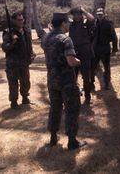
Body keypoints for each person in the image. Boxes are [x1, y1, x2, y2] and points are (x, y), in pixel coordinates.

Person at [41, 12, 86, 150]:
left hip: (52, 80)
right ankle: (72, 141)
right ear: (62, 23)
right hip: (67, 81)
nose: (69, 25)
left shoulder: (46, 38)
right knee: (71, 109)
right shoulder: (66, 40)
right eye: (68, 22)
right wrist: (80, 61)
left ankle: (53, 137)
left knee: (55, 108)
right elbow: (71, 62)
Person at [2, 12, 35, 109]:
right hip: (13, 63)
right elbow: (5, 47)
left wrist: (31, 54)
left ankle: (25, 97)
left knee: (25, 81)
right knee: (13, 83)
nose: (21, 22)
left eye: (22, 19)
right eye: (19, 20)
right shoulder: (8, 32)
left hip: (24, 61)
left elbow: (29, 44)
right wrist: (12, 42)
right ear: (13, 21)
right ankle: (14, 102)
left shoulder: (26, 30)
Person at [69, 7, 95, 104]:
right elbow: (62, 18)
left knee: (86, 76)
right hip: (74, 53)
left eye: (78, 14)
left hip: (85, 53)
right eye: (74, 14)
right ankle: (75, 96)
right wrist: (69, 11)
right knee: (73, 76)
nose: (76, 16)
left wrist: (84, 11)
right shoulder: (70, 24)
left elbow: (92, 19)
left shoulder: (86, 23)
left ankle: (87, 97)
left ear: (81, 15)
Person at [91, 8, 118, 90]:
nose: (99, 16)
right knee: (92, 67)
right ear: (96, 15)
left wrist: (114, 49)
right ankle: (91, 84)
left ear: (104, 14)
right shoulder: (94, 23)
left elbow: (114, 37)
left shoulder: (108, 24)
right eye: (98, 14)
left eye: (101, 14)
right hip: (95, 49)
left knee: (106, 67)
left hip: (105, 48)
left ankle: (106, 84)